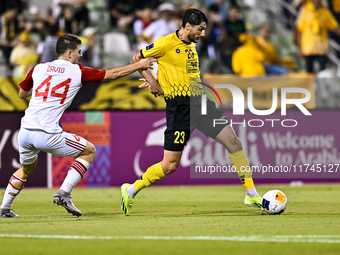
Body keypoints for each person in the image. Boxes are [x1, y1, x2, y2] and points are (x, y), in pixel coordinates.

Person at [120, 8, 263, 216]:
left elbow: (174, 68)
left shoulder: (191, 44)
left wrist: (160, 76)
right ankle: (130, 190)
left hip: (202, 104)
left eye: (204, 29)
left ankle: (251, 194)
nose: (203, 33)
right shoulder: (165, 42)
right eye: (200, 29)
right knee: (169, 166)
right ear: (187, 26)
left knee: (234, 143)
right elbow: (137, 58)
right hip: (180, 109)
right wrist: (152, 81)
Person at [0, 33, 156, 218]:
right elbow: (113, 74)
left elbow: (21, 94)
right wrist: (139, 65)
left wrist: (44, 90)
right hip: (47, 133)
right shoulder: (78, 71)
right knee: (89, 151)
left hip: (25, 132)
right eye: (78, 52)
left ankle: (4, 208)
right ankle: (64, 193)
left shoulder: (39, 68)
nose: (80, 55)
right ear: (69, 53)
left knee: (25, 169)